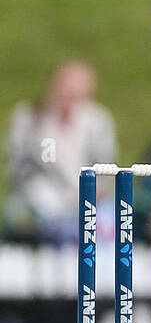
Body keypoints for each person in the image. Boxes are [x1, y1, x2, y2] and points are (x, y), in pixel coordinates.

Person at [4, 60, 116, 242]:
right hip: (42, 199)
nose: (70, 98)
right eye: (67, 90)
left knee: (109, 221)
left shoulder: (97, 121)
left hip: (87, 197)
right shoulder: (29, 119)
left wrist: (93, 190)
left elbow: (106, 166)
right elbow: (19, 170)